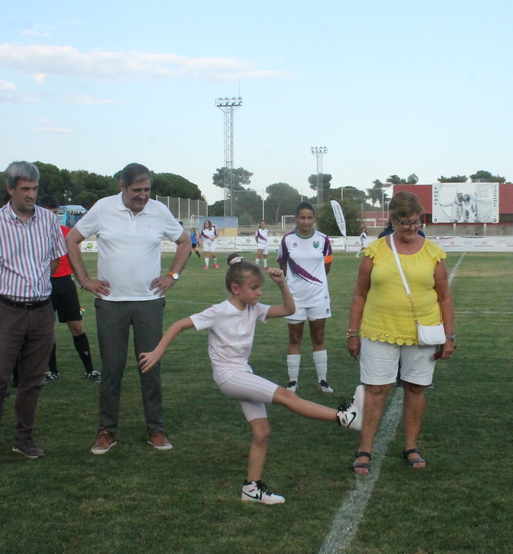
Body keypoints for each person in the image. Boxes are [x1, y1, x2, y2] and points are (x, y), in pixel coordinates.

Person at [138, 253, 363, 504]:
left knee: (262, 433)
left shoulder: (254, 310)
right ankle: (343, 416)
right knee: (287, 395)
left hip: (242, 374)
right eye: (254, 288)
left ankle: (251, 489)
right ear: (236, 289)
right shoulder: (218, 311)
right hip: (228, 377)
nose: (259, 293)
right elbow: (178, 325)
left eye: (260, 288)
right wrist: (157, 352)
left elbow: (290, 309)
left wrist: (281, 283)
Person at [65, 163, 191, 455]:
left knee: (151, 367)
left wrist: (172, 275)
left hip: (149, 303)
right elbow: (72, 239)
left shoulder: (159, 211)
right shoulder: (103, 208)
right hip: (111, 304)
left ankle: (156, 430)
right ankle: (107, 431)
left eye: (147, 190)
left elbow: (184, 241)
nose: (143, 196)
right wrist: (84, 280)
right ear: (122, 186)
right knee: (112, 369)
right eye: (137, 190)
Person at [0, 161, 67, 474]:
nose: (31, 195)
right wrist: (2, 293)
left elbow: (53, 261)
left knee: (32, 382)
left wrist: (34, 284)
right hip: (6, 312)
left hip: (41, 311)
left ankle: (23, 438)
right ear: (10, 189)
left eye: (34, 189)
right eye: (25, 189)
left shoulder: (49, 222)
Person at [347, 191, 455, 475]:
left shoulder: (433, 252)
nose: (411, 228)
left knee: (416, 389)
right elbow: (359, 294)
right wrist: (352, 332)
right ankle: (365, 448)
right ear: (392, 220)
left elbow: (445, 297)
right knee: (376, 390)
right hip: (378, 330)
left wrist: (449, 336)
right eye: (405, 222)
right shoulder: (376, 250)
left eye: (416, 222)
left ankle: (411, 446)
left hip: (423, 334)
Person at [38, 195, 100, 384]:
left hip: (65, 284)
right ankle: (52, 371)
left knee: (77, 326)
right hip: (43, 285)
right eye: (47, 213)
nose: (51, 217)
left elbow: (75, 259)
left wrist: (82, 280)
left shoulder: (67, 234)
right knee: (46, 330)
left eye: (54, 214)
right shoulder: (33, 234)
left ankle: (90, 370)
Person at [277, 202, 334, 393]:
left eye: (310, 217)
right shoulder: (286, 240)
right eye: (302, 217)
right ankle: (293, 381)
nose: (306, 221)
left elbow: (327, 265)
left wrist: (315, 283)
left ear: (314, 218)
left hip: (318, 297)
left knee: (318, 337)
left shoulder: (324, 240)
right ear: (296, 218)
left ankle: (323, 381)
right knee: (295, 338)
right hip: (295, 299)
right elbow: (283, 267)